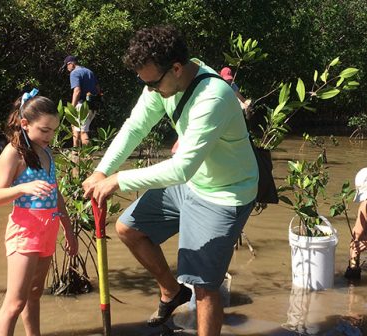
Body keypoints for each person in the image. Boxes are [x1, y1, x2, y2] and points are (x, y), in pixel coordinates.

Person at [82, 25, 258, 335]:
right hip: (192, 181)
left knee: (204, 287)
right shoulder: (163, 82)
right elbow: (135, 128)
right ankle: (172, 291)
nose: (149, 90)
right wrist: (102, 170)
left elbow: (182, 168)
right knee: (129, 228)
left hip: (224, 194)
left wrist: (119, 179)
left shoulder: (213, 97)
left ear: (176, 68)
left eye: (152, 83)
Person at [0, 90, 78, 336]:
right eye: (44, 130)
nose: (49, 136)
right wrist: (22, 187)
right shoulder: (13, 153)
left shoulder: (47, 152)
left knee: (35, 295)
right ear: (25, 124)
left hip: (48, 231)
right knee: (15, 302)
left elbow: (56, 195)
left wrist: (68, 231)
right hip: (25, 231)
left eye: (53, 131)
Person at [62, 55, 101, 147]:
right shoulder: (89, 72)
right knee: (75, 127)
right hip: (92, 105)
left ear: (71, 64)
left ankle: (88, 157)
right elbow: (98, 89)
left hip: (82, 105)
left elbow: (77, 91)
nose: (67, 68)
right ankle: (75, 151)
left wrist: (71, 107)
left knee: (83, 132)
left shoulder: (74, 73)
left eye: (67, 66)